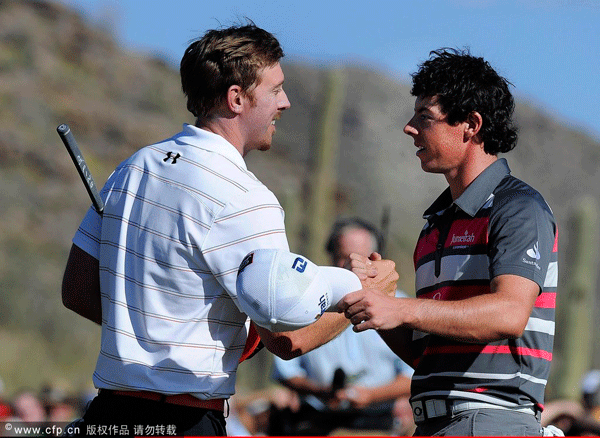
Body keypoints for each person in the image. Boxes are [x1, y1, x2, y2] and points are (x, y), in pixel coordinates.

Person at [61, 23, 397, 436]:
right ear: (236, 99)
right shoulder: (246, 197)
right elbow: (288, 341)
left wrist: (154, 334)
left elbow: (77, 291)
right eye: (275, 90)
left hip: (107, 416)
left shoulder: (132, 167)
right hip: (184, 421)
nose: (286, 102)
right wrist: (367, 294)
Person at [340, 48, 558, 436]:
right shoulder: (433, 226)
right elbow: (426, 355)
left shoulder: (518, 207)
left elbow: (509, 313)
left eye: (424, 116)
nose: (409, 127)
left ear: (470, 125)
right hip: (434, 424)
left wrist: (401, 308)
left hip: (488, 419)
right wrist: (375, 304)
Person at [270, 217, 413, 435]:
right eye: (342, 257)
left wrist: (371, 396)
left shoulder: (399, 306)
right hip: (317, 423)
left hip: (378, 425)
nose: (349, 266)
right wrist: (323, 393)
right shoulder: (304, 308)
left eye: (360, 259)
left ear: (375, 259)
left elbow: (414, 372)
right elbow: (286, 369)